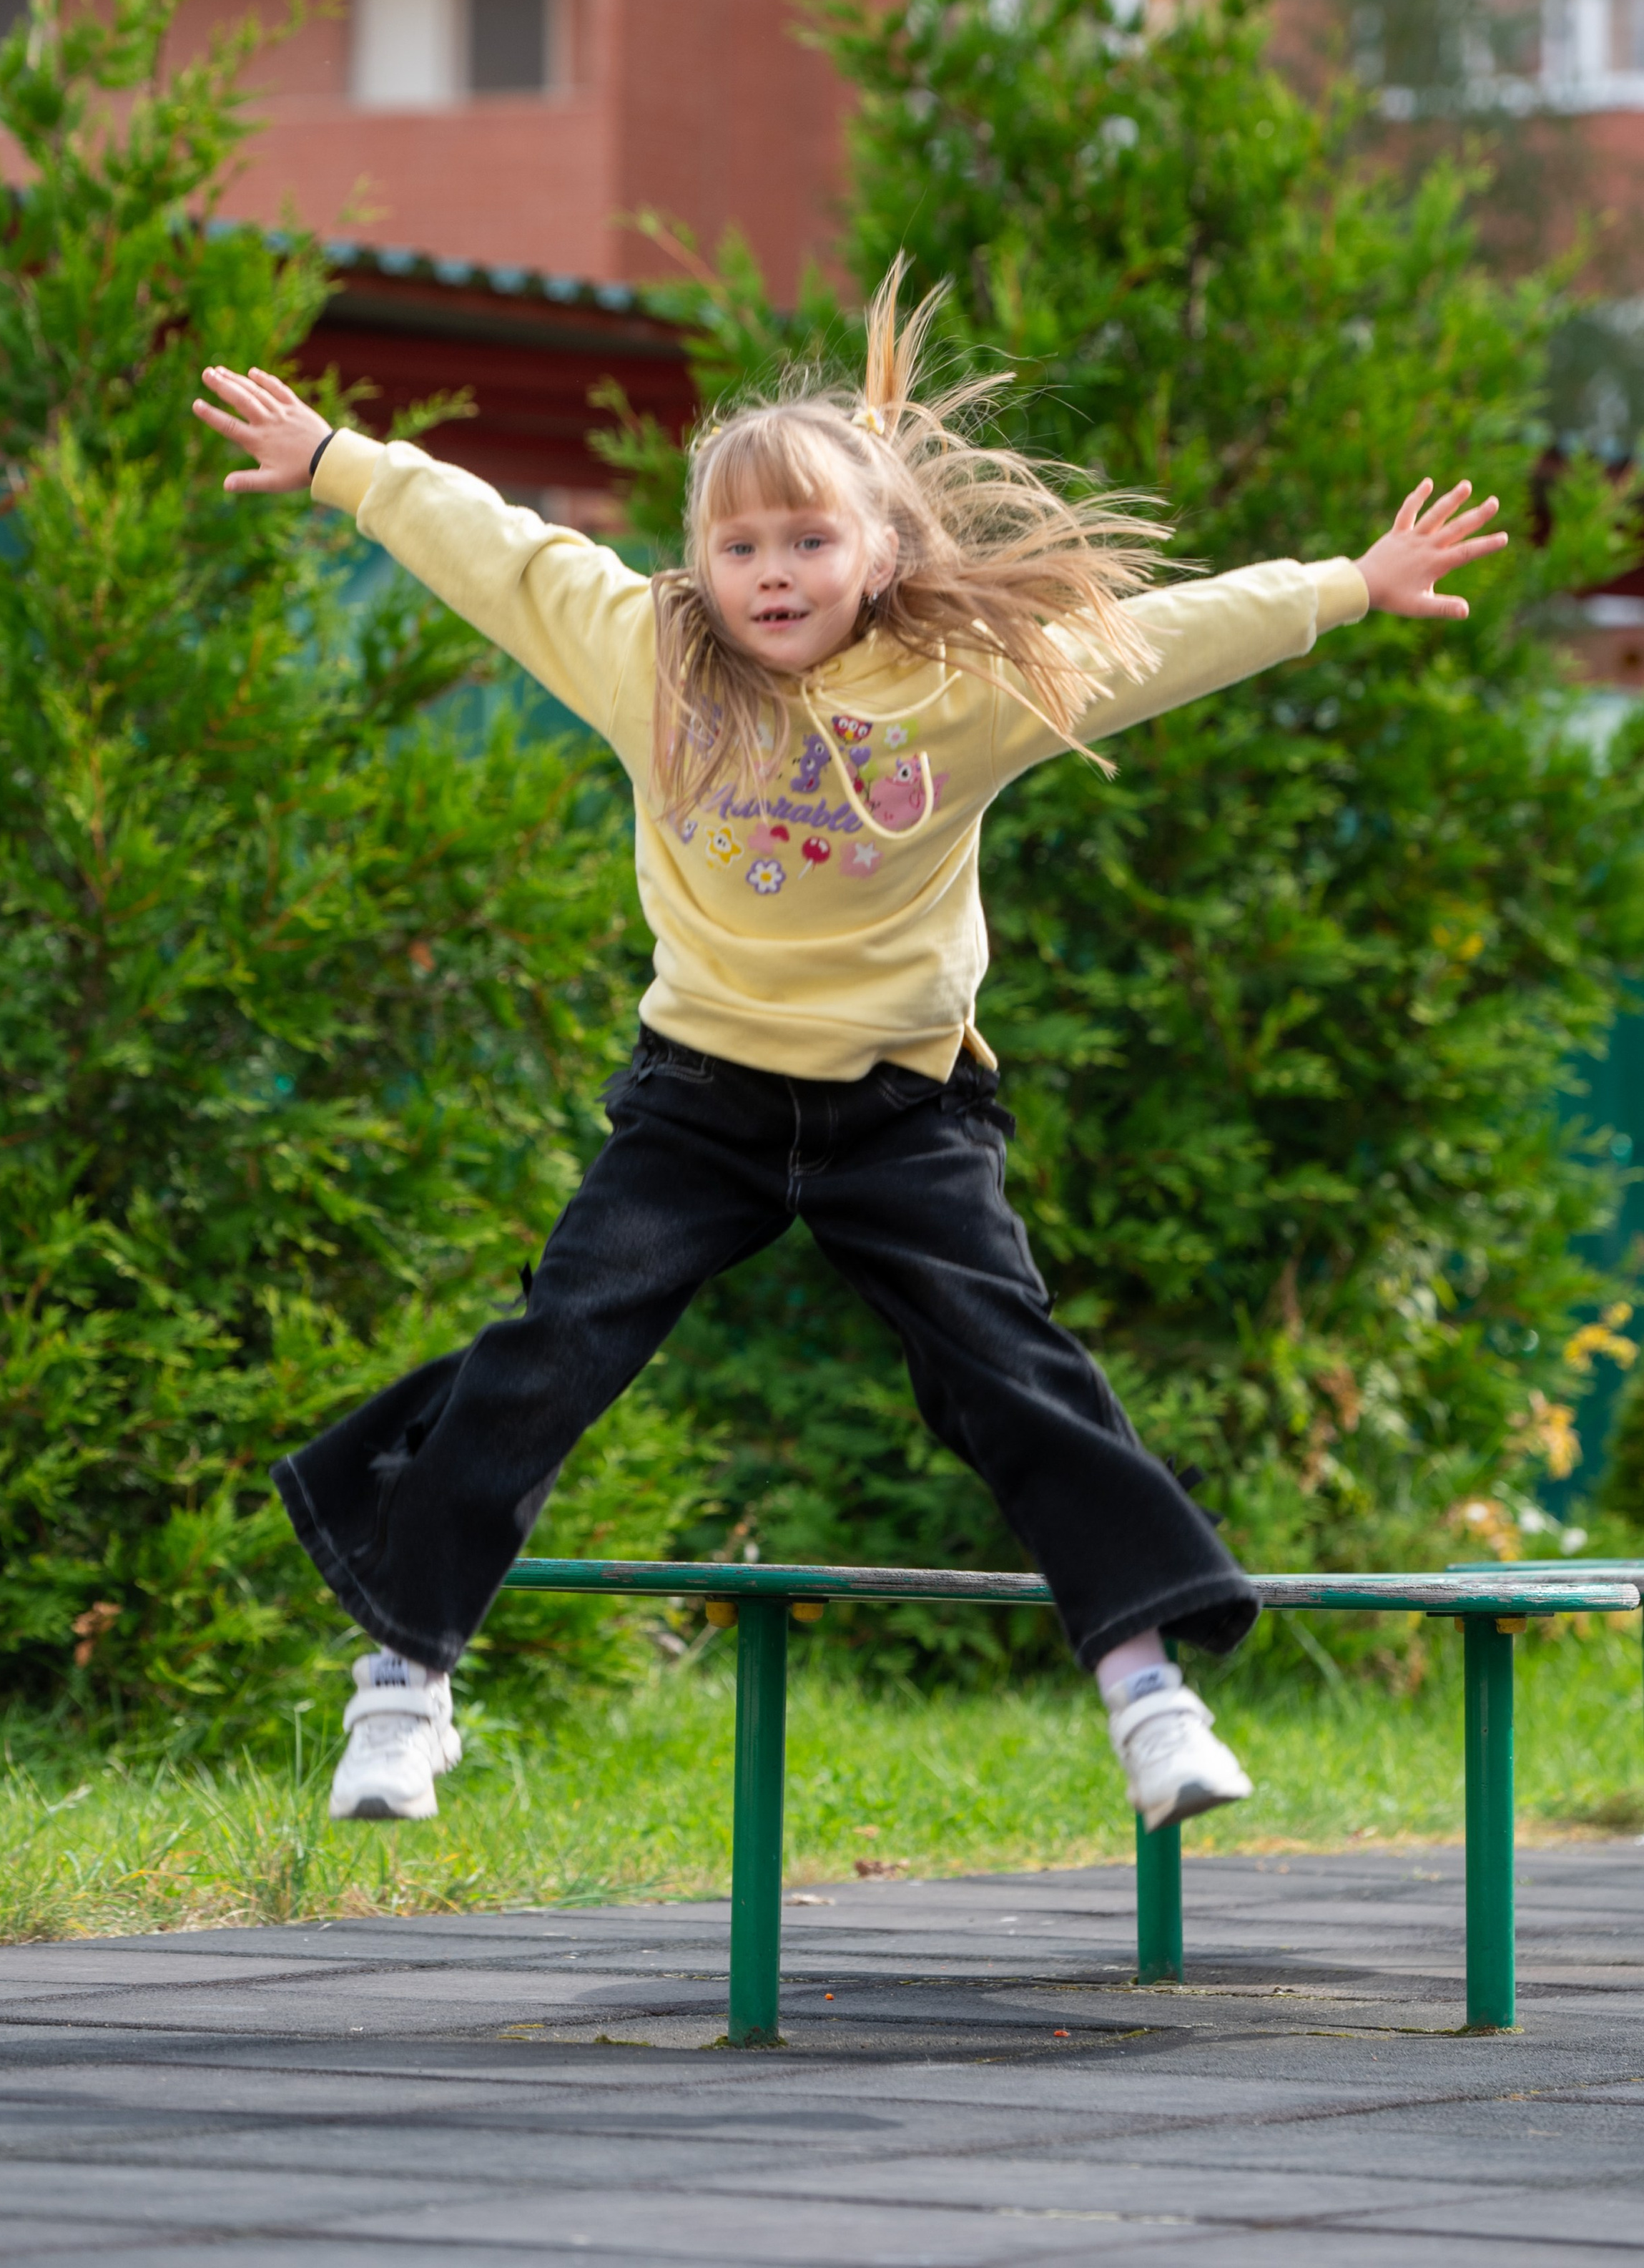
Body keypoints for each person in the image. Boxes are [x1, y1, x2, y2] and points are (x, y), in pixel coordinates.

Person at [194, 265, 1505, 1833]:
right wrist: (342, 462)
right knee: (559, 1340)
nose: (770, 572)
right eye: (738, 545)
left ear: (876, 554)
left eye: (807, 541)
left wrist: (1345, 584)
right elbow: (497, 549)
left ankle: (1146, 1685)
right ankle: (404, 1678)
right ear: (698, 563)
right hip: (701, 1098)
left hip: (903, 1109)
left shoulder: (966, 689)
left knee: (1009, 1365)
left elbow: (1152, 639)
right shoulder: (644, 656)